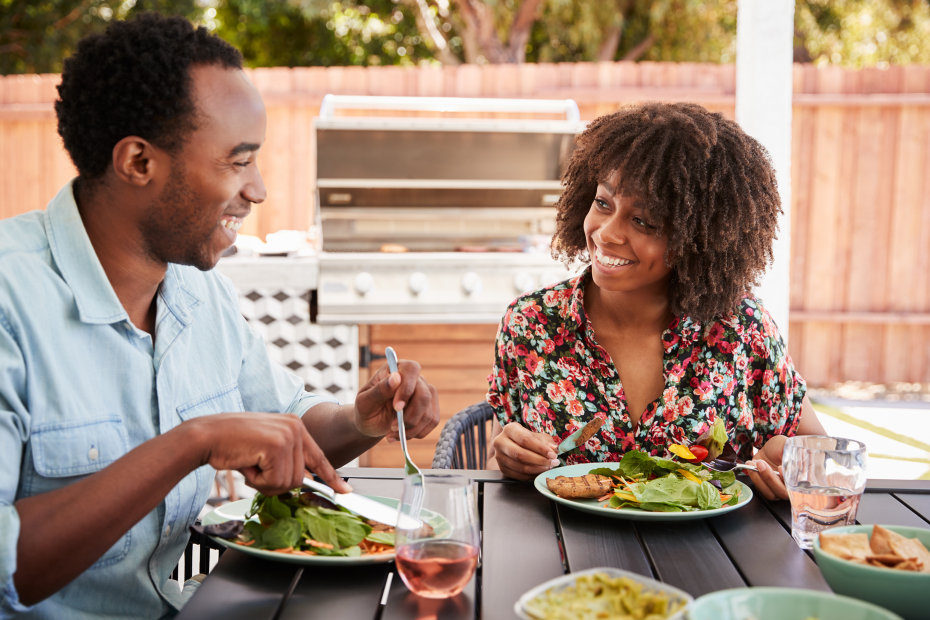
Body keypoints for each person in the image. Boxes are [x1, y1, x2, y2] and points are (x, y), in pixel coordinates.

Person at [0, 13, 439, 619]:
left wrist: (361, 419)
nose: (257, 190)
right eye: (238, 162)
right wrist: (192, 443)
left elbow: (287, 425)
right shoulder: (10, 303)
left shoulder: (194, 291)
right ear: (138, 162)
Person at [487, 101, 825, 501]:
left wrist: (788, 464)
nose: (607, 234)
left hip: (707, 557)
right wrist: (508, 459)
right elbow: (500, 462)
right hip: (567, 556)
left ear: (698, 238)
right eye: (603, 204)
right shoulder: (531, 323)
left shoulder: (741, 329)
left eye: (644, 221)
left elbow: (819, 455)